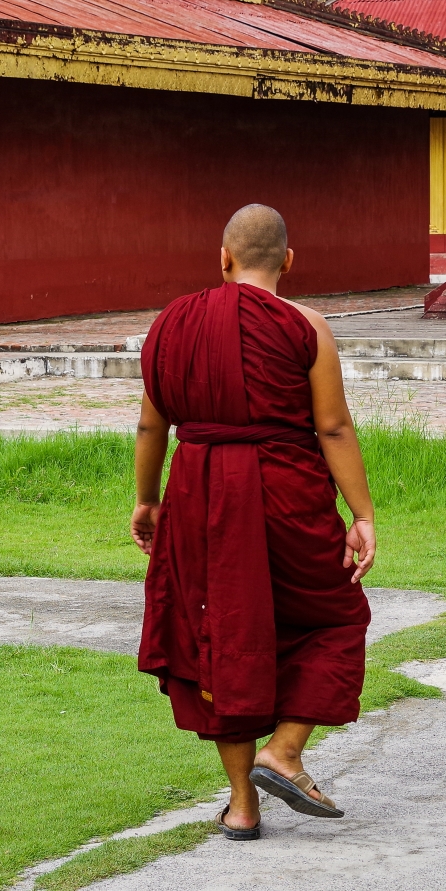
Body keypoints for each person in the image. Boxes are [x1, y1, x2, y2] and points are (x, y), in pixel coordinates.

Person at [132, 204, 376, 841]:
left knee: (218, 632)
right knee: (337, 615)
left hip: (197, 490)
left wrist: (147, 498)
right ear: (289, 261)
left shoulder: (173, 323)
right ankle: (286, 750)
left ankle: (243, 806)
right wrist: (362, 512)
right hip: (284, 490)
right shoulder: (306, 325)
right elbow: (333, 426)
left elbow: (151, 423)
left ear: (223, 258)